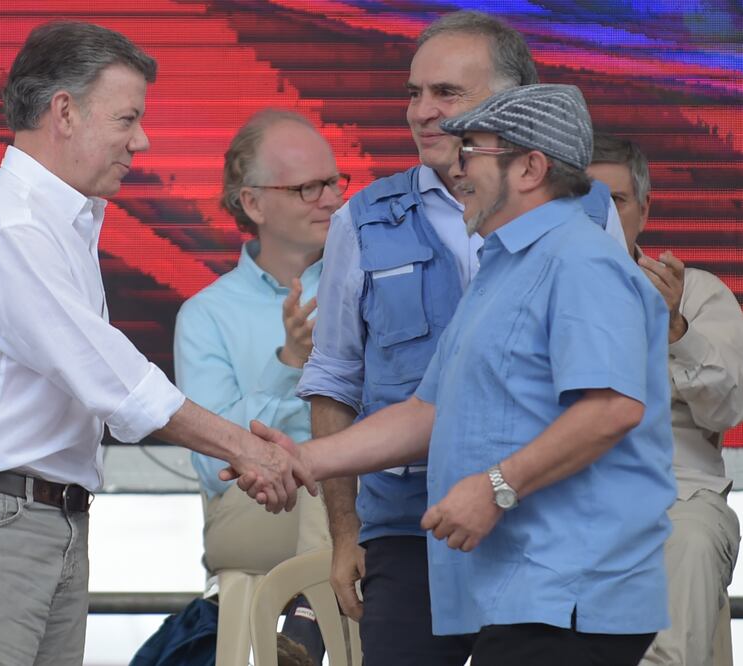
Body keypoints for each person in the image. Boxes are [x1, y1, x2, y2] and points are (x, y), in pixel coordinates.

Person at [0, 21, 314, 666]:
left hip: (31, 518)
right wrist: (248, 450)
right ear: (64, 111)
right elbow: (112, 379)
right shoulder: (13, 227)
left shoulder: (60, 221)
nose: (140, 141)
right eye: (127, 119)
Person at [236, 83, 674, 666]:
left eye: (470, 150)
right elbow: (429, 412)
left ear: (530, 168)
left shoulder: (582, 259)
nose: (454, 165)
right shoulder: (504, 264)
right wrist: (304, 460)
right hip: (512, 590)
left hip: (570, 591)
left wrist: (498, 486)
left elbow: (612, 408)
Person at [295, 11, 624, 665]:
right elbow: (335, 379)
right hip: (408, 533)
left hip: (546, 528)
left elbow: (606, 393)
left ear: (514, 106)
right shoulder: (360, 221)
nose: (421, 112)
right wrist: (343, 533)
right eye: (413, 93)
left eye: (445, 94)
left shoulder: (586, 215)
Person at [174, 109, 341, 662]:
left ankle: (309, 623)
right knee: (335, 468)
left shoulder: (364, 279)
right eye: (306, 187)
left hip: (355, 497)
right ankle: (312, 622)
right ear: (252, 203)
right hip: (255, 508)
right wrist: (290, 363)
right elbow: (213, 465)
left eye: (334, 182)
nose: (330, 199)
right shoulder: (207, 314)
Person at [587, 135, 743, 666]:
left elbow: (726, 410)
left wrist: (674, 327)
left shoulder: (696, 292)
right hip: (561, 496)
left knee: (694, 541)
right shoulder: (527, 292)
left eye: (616, 200)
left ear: (645, 209)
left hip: (676, 496)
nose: (600, 214)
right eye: (584, 199)